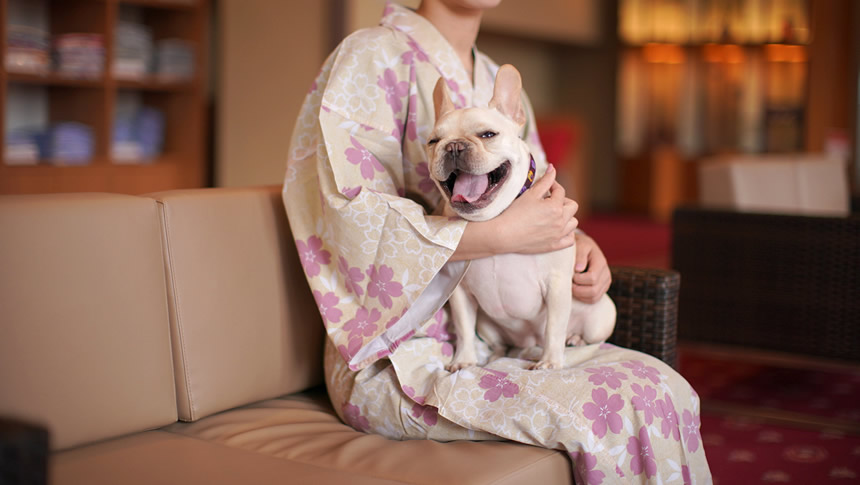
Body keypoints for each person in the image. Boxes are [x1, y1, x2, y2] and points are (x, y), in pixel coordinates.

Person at [282, 1, 712, 482]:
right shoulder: (370, 55)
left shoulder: (494, 75)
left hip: (505, 336)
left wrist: (573, 235)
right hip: (401, 353)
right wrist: (499, 234)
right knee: (614, 410)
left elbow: (534, 189)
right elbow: (349, 216)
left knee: (663, 387)